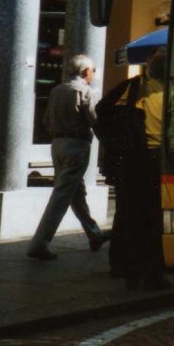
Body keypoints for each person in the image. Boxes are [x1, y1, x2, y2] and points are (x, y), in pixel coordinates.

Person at [26, 54, 110, 260]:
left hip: (57, 144)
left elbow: (46, 120)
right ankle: (39, 244)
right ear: (85, 72)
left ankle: (94, 233)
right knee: (62, 195)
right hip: (77, 144)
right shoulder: (85, 91)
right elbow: (96, 121)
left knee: (75, 191)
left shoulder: (56, 90)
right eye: (93, 70)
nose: (94, 74)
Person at [100, 49, 168, 290]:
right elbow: (102, 114)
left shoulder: (150, 88)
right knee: (147, 217)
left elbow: (101, 114)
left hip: (147, 158)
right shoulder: (134, 87)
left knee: (136, 215)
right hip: (143, 158)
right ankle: (142, 271)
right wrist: (114, 142)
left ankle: (135, 268)